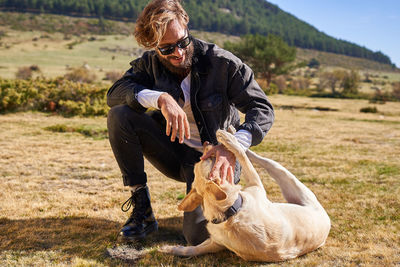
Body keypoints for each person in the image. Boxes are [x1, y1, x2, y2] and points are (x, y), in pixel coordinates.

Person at [106, 0, 274, 246]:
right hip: (174, 153)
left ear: (186, 23)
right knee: (120, 115)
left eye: (183, 42)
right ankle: (142, 209)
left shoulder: (223, 63)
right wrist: (160, 98)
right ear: (154, 46)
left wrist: (233, 147)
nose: (179, 53)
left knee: (198, 238)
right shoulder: (149, 64)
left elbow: (262, 109)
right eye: (166, 49)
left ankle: (240, 205)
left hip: (216, 161)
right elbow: (115, 93)